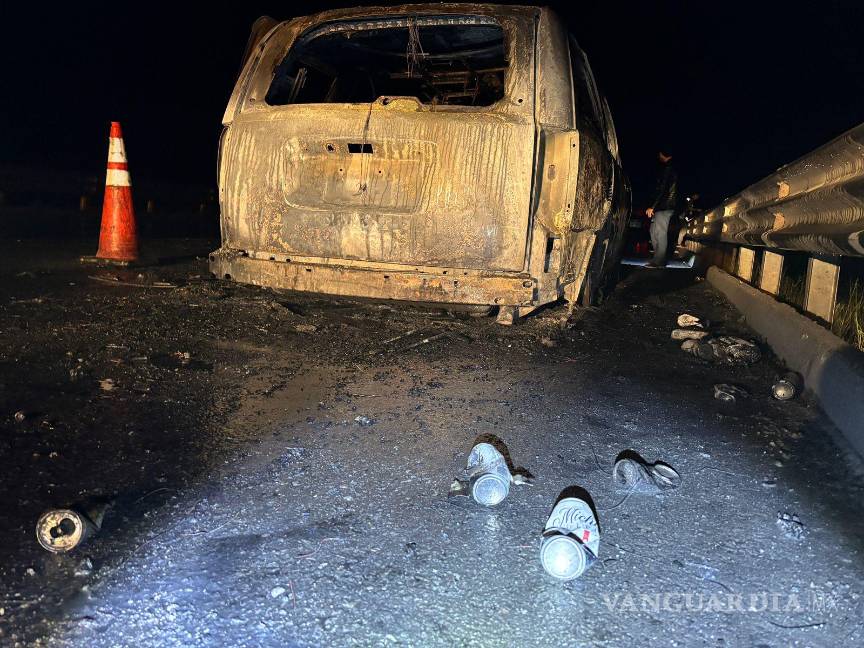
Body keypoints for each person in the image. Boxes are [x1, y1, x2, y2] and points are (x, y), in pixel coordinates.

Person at [645, 151, 679, 268]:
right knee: (653, 231)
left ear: (666, 155)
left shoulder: (669, 169)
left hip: (665, 206)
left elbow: (663, 190)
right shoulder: (668, 168)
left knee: (660, 233)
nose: (659, 156)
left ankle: (659, 261)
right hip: (662, 206)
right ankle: (657, 258)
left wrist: (652, 206)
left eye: (660, 154)